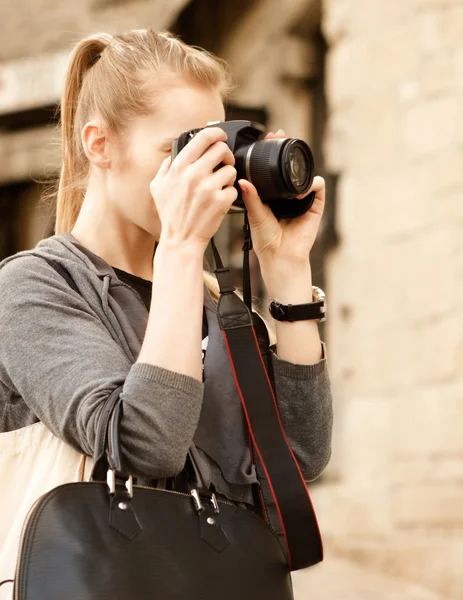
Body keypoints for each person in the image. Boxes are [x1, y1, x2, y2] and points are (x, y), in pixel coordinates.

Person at [0, 29, 332, 548]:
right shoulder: (33, 288)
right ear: (99, 145)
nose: (201, 176)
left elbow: (299, 455)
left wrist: (288, 269)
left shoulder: (207, 299)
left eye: (212, 152)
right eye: (178, 150)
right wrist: (181, 248)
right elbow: (143, 446)